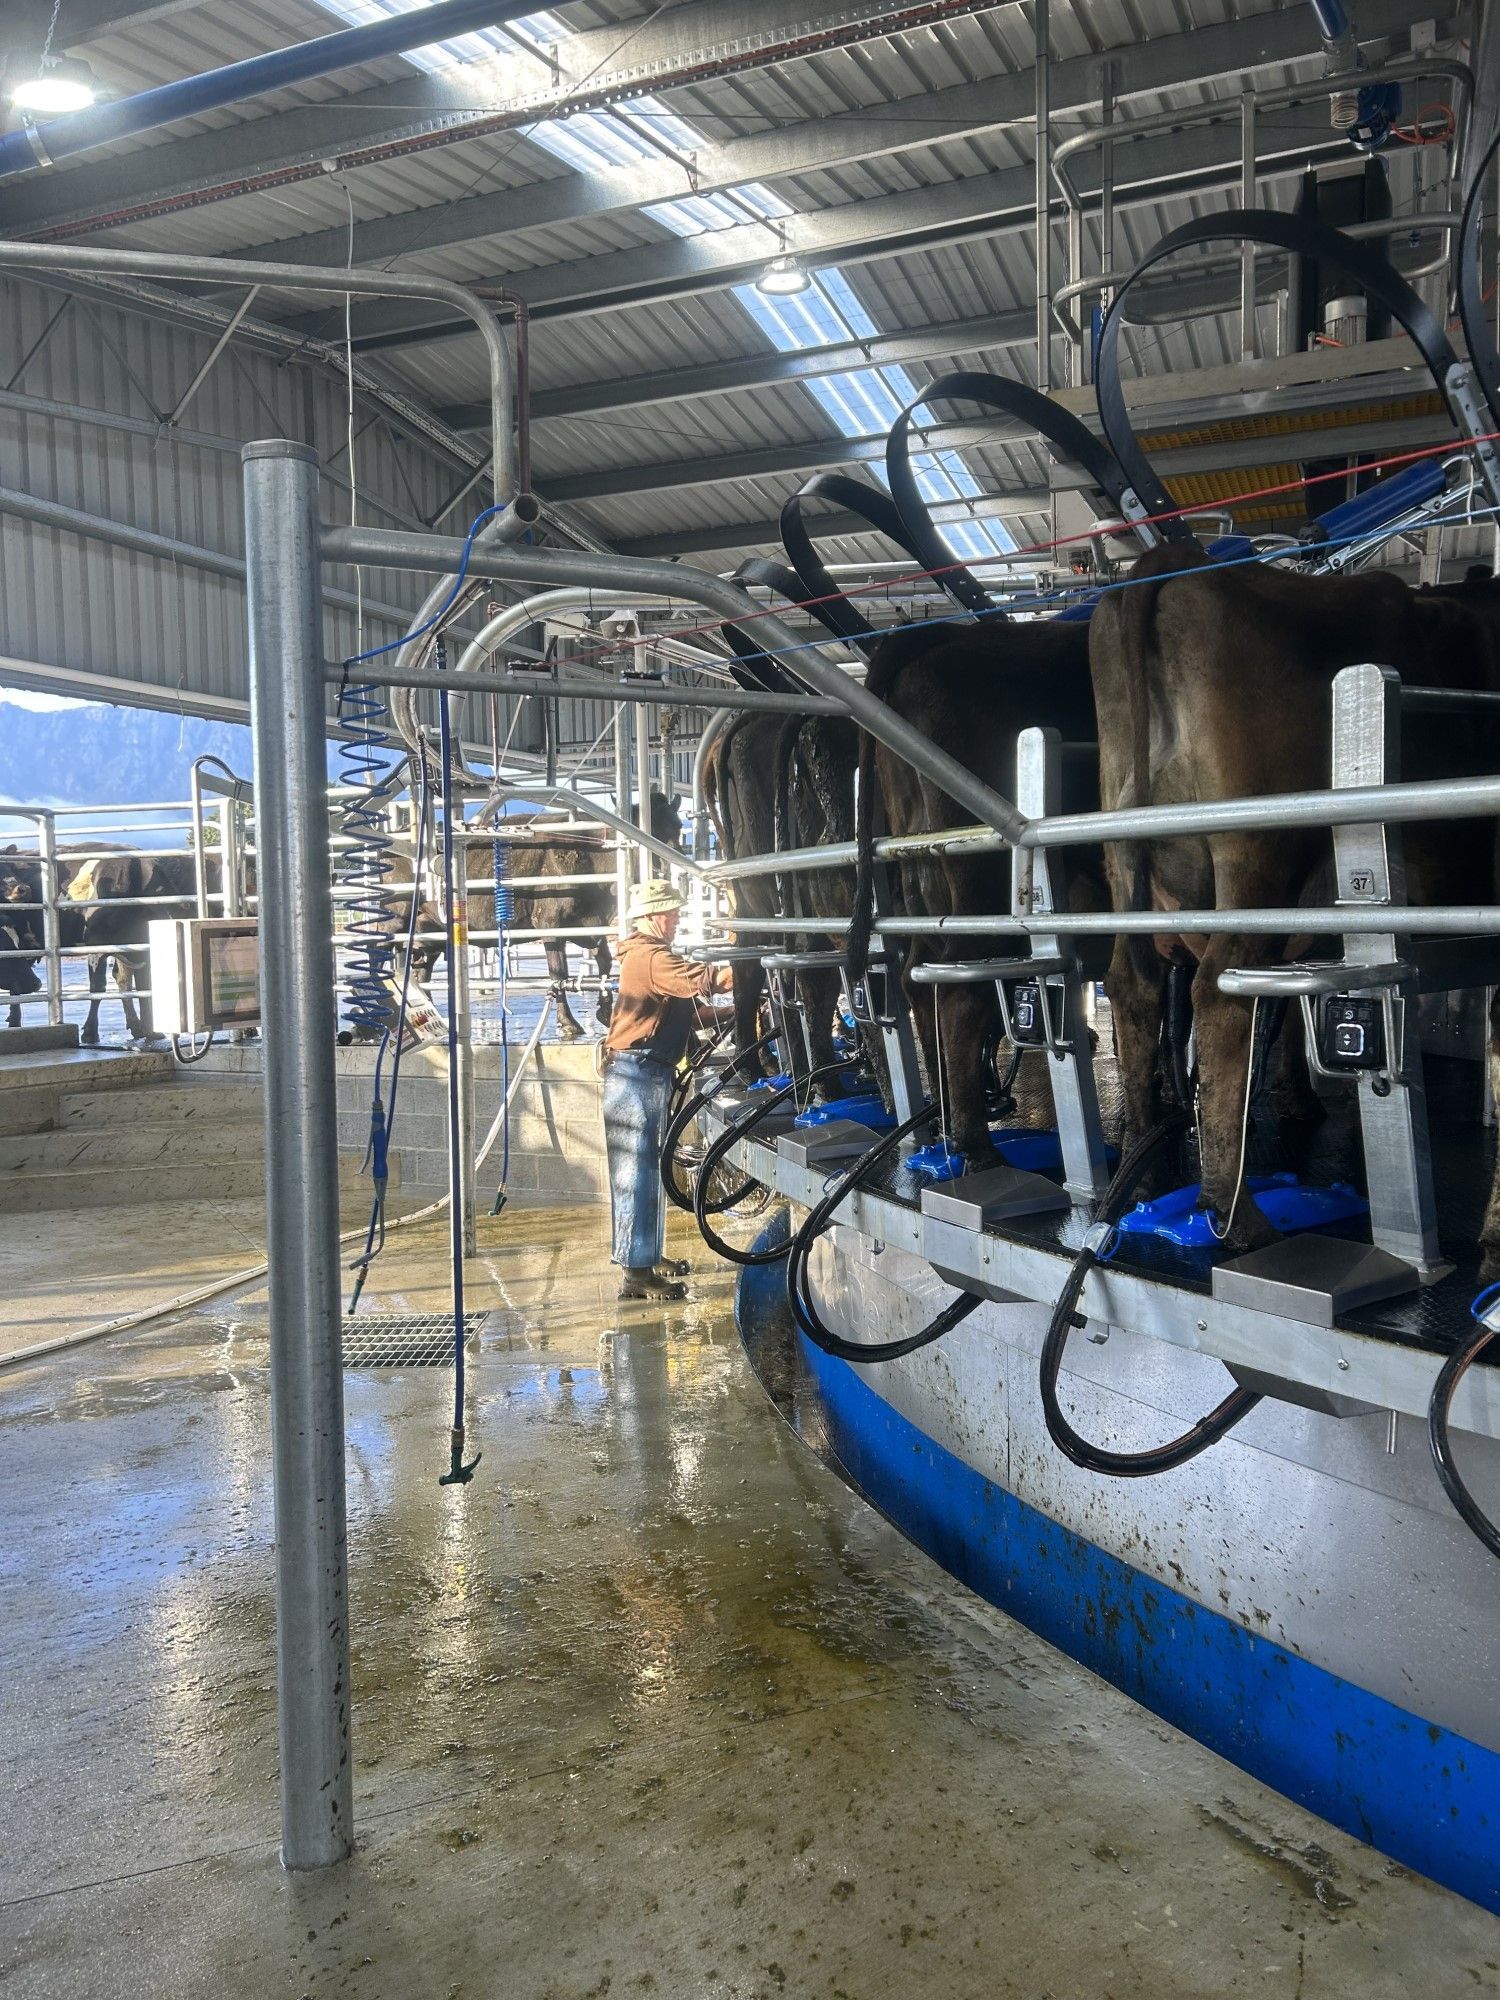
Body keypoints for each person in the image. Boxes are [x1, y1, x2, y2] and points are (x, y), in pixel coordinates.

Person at [601, 880, 731, 1301]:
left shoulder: (652, 955)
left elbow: (691, 1012)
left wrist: (735, 1011)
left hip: (645, 1073)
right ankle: (635, 1275)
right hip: (635, 1074)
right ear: (654, 915)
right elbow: (706, 980)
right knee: (634, 1177)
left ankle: (647, 1257)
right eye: (672, 912)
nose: (676, 919)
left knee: (647, 1173)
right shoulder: (651, 956)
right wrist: (747, 964)